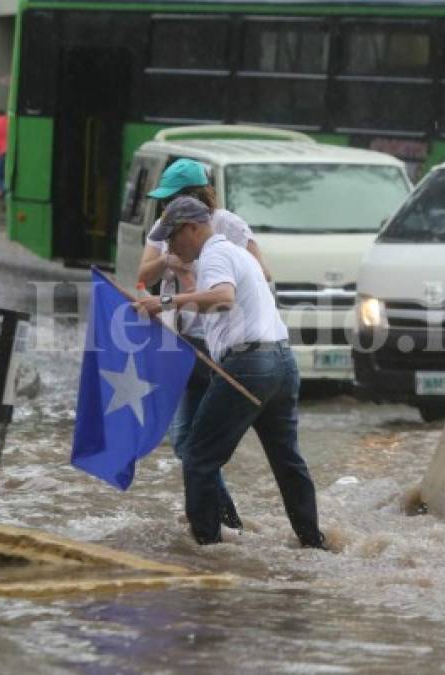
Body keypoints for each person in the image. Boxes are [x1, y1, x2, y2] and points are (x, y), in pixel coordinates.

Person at [133, 197, 325, 549]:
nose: (170, 247)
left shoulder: (215, 254)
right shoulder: (237, 254)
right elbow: (217, 301)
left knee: (197, 456)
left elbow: (222, 298)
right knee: (287, 461)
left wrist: (163, 302)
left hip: (250, 364)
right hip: (282, 363)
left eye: (172, 237)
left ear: (192, 228)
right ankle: (314, 542)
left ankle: (206, 551)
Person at [137, 158, 271, 531]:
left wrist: (211, 268)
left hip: (217, 342)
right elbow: (143, 274)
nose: (167, 209)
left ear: (195, 198)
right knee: (187, 444)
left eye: (174, 199)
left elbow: (262, 274)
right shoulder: (165, 229)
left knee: (194, 445)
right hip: (178, 340)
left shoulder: (228, 228)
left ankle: (219, 525)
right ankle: (225, 520)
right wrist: (170, 258)